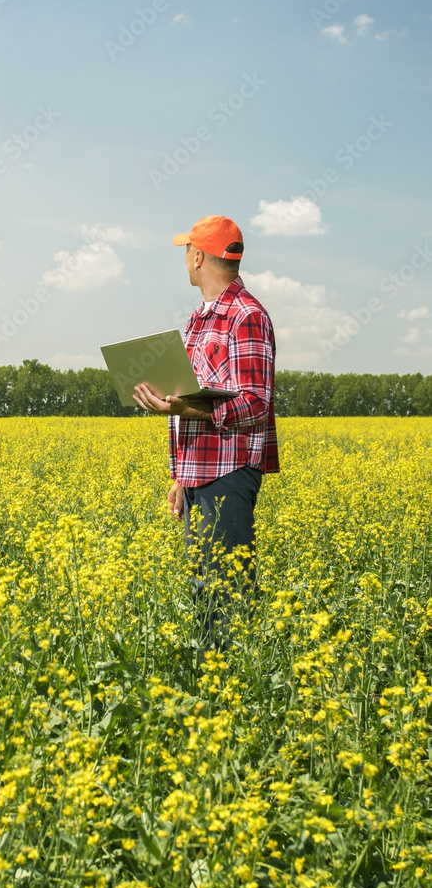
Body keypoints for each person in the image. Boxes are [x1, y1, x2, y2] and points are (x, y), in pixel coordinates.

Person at [132, 214, 279, 653]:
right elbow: (193, 396)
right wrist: (182, 475)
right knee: (204, 589)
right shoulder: (199, 319)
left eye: (186, 252)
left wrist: (186, 407)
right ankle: (210, 682)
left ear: (198, 257)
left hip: (230, 473)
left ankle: (236, 689)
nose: (185, 260)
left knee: (229, 592)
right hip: (200, 473)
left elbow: (256, 402)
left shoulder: (246, 316)